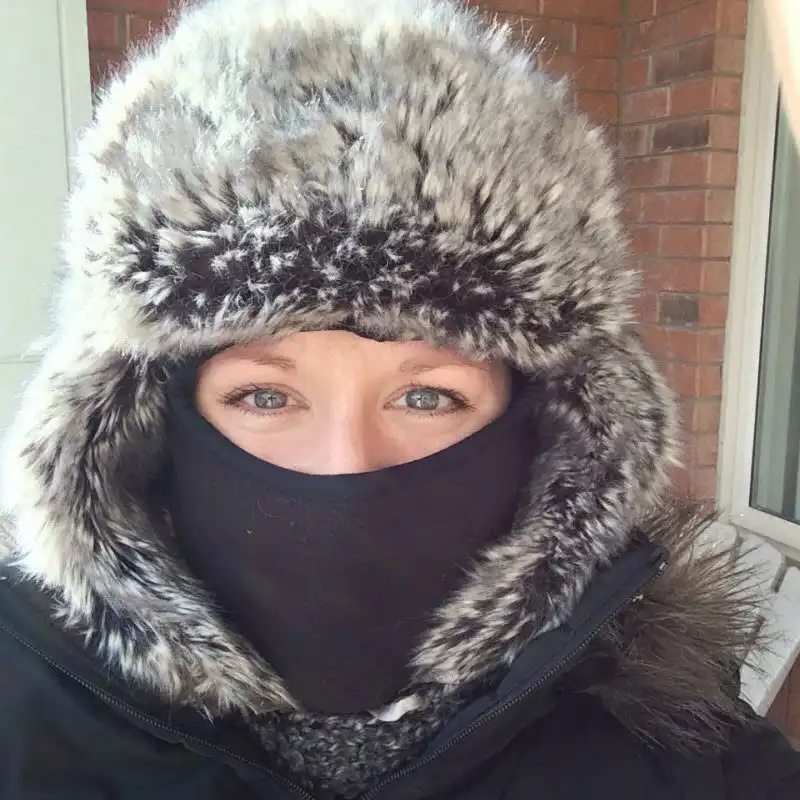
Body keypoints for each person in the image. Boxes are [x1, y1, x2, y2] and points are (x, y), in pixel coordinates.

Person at [0, 0, 798, 797]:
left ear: (550, 429)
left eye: (426, 397)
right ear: (143, 425)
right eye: (263, 395)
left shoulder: (685, 756)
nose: (345, 467)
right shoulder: (21, 712)